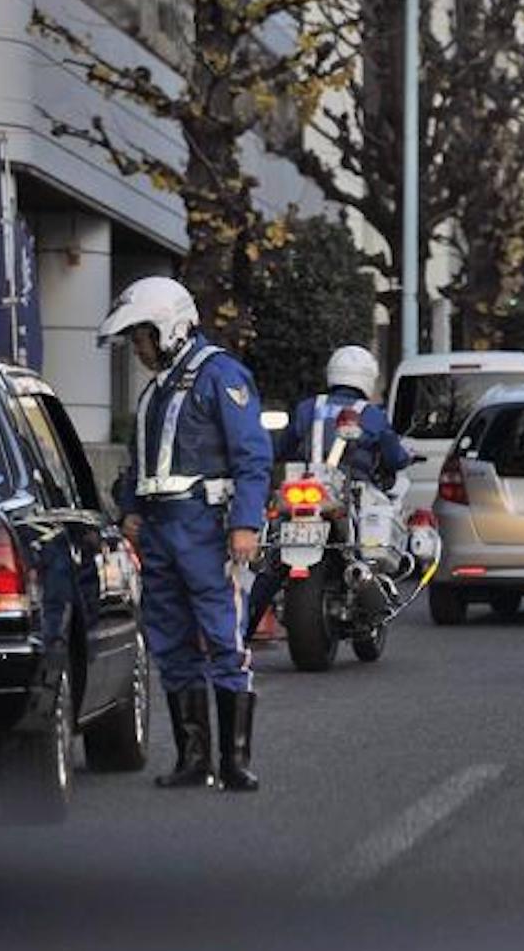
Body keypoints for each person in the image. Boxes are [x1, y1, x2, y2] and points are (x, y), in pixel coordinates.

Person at [99, 277, 272, 792]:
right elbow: (140, 464)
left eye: (141, 337)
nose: (138, 349)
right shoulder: (157, 392)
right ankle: (194, 760)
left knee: (223, 637)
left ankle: (234, 761)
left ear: (169, 328)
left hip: (206, 528)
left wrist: (245, 523)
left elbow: (252, 455)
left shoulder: (221, 375)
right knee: (170, 642)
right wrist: (129, 509)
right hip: (158, 530)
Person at [245, 345, 412, 641]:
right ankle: (368, 584)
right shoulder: (371, 414)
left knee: (273, 561)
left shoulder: (308, 408)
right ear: (368, 378)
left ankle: (243, 628)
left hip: (305, 485)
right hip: (350, 490)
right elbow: (395, 458)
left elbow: (283, 448)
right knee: (367, 546)